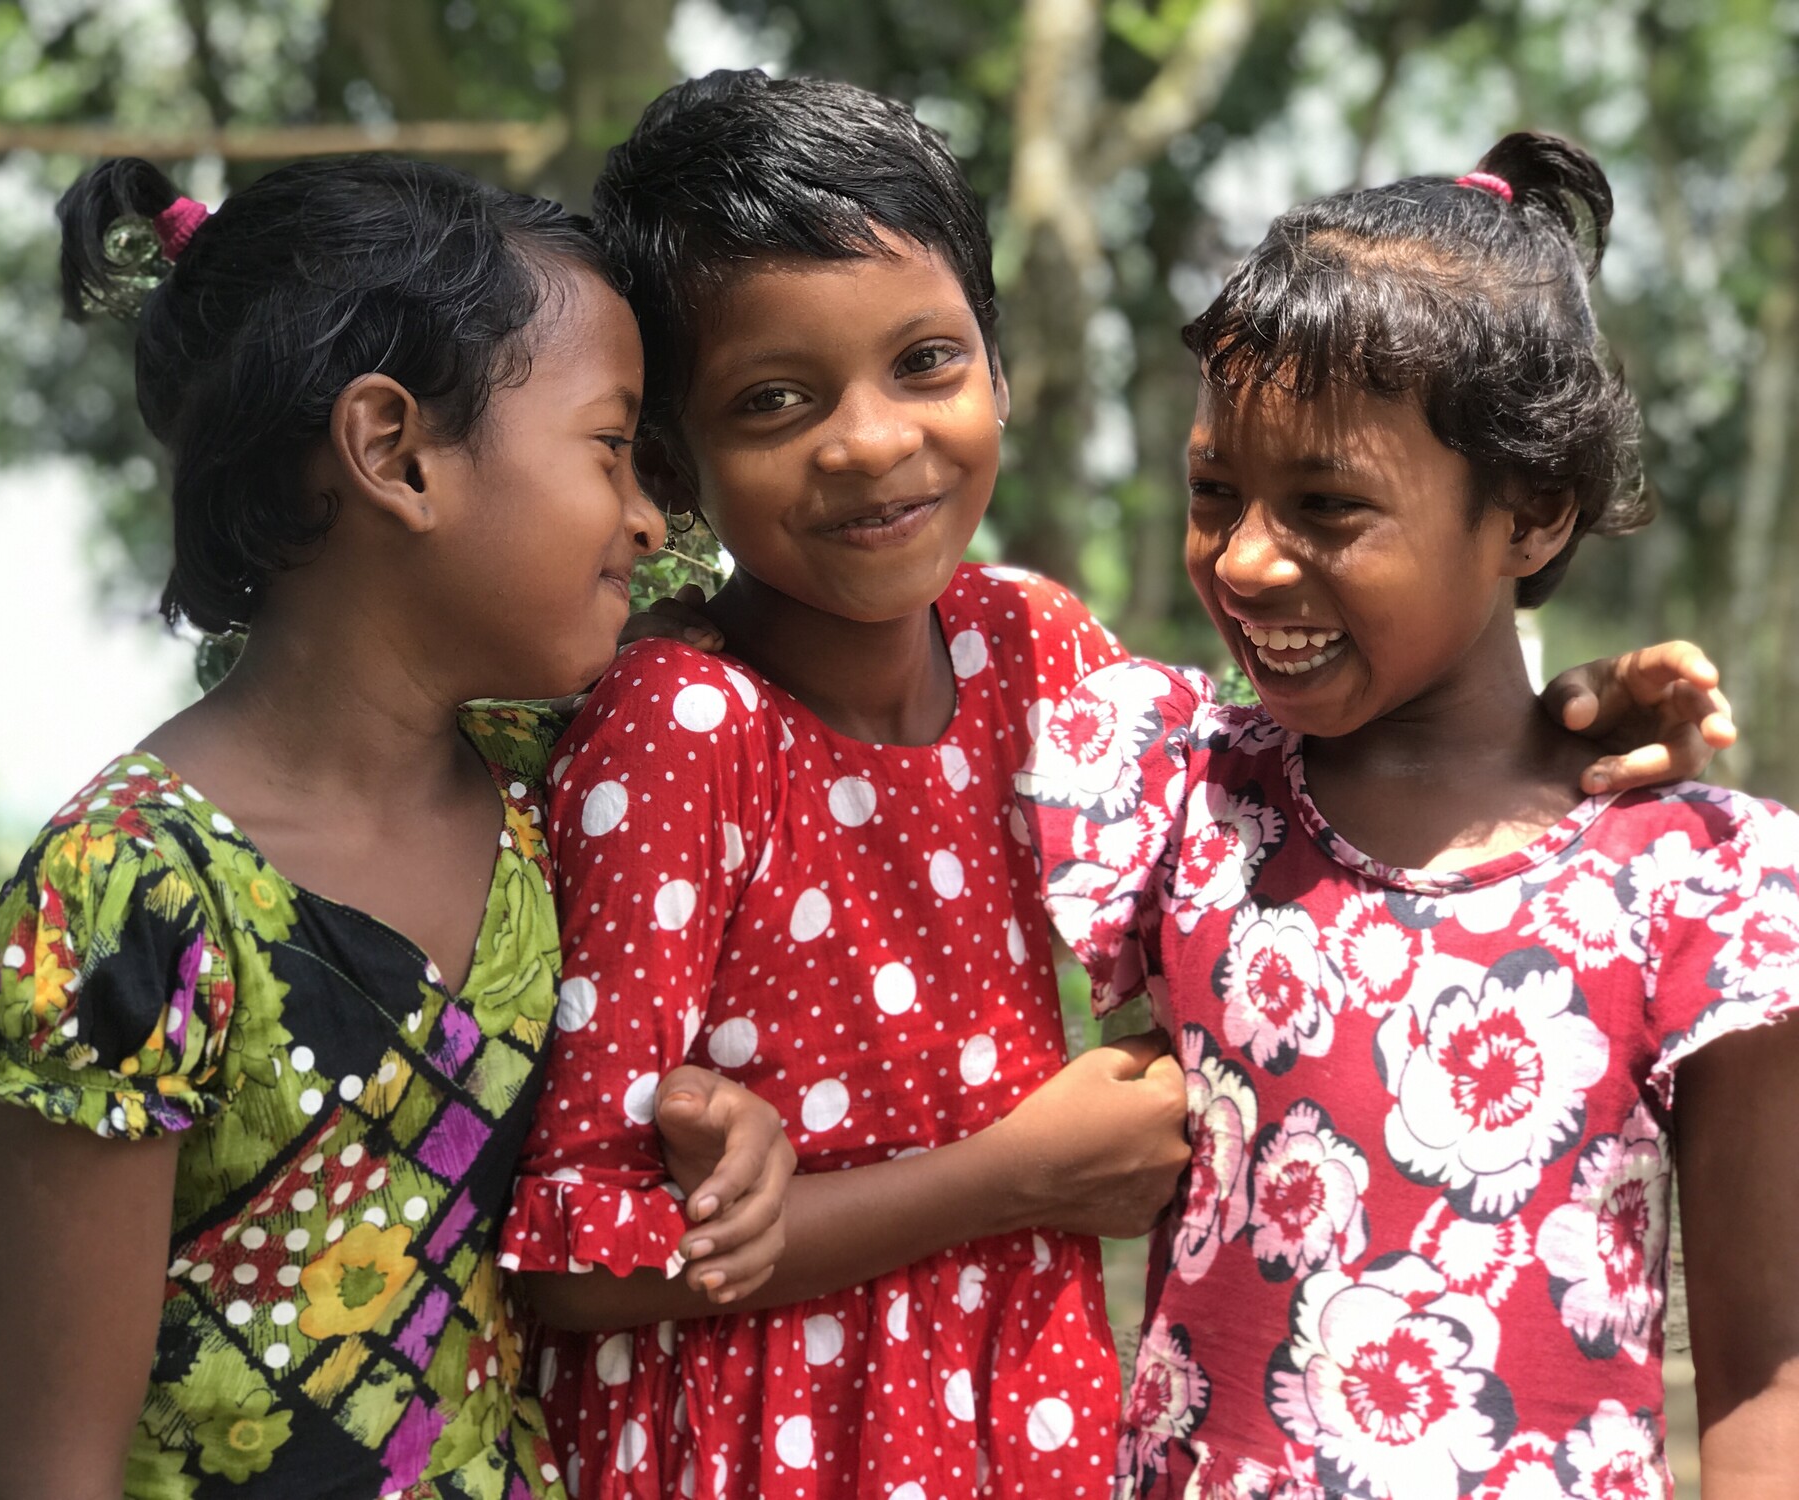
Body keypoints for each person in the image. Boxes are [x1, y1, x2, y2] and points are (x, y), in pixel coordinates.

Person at [498, 73, 1735, 1500]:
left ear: (999, 367)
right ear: (673, 455)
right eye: (774, 400)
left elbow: (1315, 770)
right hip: (768, 1455)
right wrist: (1011, 1177)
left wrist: (1553, 732)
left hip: (1026, 1438)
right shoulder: (682, 725)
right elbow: (573, 1260)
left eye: (924, 362)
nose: (871, 440)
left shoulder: (1034, 652)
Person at [0, 154, 791, 1500]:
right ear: (395, 451)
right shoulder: (129, 896)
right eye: (612, 445)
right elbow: (47, 1469)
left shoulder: (562, 793)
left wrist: (734, 1134)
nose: (648, 515)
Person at [1016, 134, 1798, 1499]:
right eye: (1215, 492)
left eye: (1329, 506)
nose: (1249, 557)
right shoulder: (1187, 802)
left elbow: (1766, 1367)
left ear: (1534, 512)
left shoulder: (1692, 884)